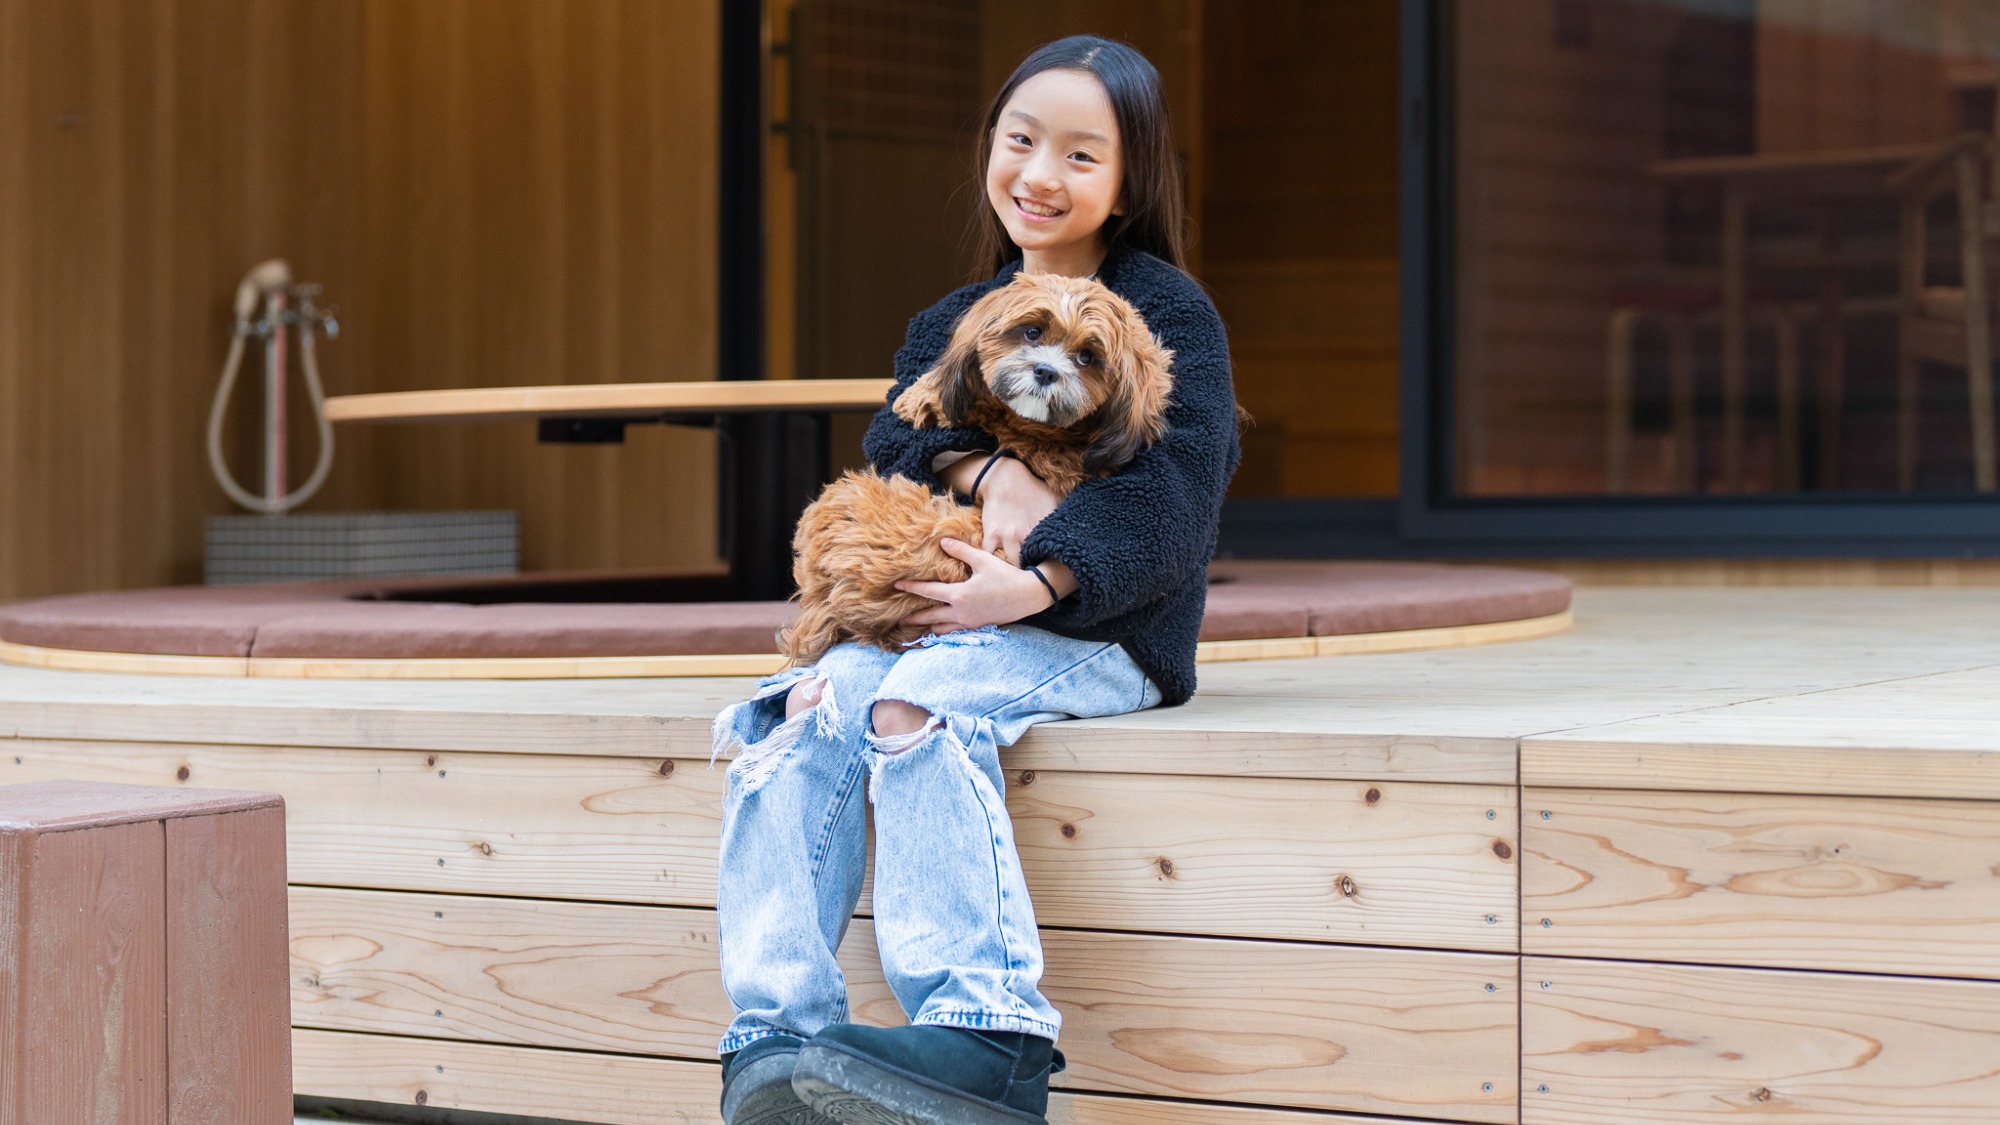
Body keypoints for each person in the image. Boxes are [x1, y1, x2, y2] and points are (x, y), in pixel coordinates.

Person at [712, 34, 1240, 1125]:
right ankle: (774, 1038)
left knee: (918, 702)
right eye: (1020, 141)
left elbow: (1175, 502)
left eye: (1081, 156)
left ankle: (985, 1032)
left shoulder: (1171, 314)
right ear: (990, 149)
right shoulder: (952, 315)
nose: (1040, 175)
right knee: (797, 707)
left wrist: (1039, 582)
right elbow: (899, 430)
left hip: (1105, 627)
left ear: (1129, 180)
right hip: (954, 611)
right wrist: (989, 468)